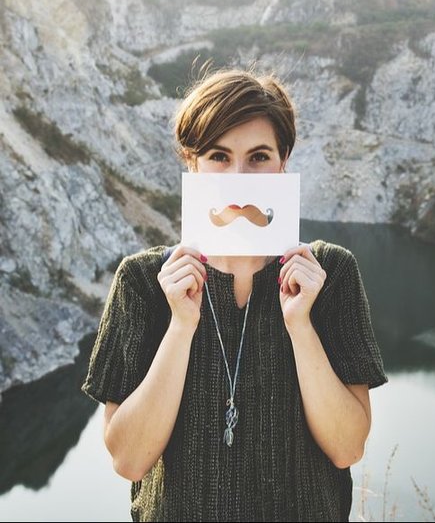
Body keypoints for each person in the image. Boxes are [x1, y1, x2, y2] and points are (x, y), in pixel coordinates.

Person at [82, 68, 387, 522]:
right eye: (219, 156)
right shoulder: (143, 282)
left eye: (259, 157)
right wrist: (180, 327)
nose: (239, 175)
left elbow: (347, 448)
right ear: (194, 164)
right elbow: (128, 460)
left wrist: (301, 326)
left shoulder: (330, 273)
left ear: (284, 161)